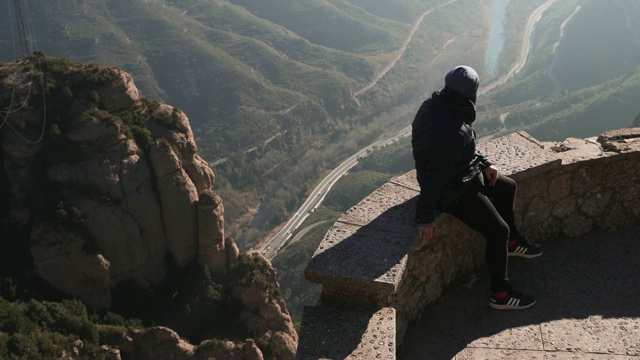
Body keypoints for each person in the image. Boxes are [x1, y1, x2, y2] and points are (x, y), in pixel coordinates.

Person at [411, 65, 542, 310]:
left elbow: (459, 150)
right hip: (451, 192)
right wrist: (424, 216)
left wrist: (483, 164)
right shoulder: (453, 130)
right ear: (472, 93)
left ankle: (512, 245)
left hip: (461, 176)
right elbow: (436, 175)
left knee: (507, 187)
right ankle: (500, 295)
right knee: (497, 231)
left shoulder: (435, 107)